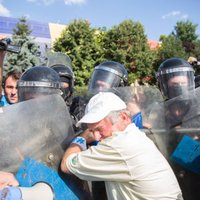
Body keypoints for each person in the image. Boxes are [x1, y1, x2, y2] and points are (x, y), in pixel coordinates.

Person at [61, 92, 183, 200]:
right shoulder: (135, 136)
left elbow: (66, 164)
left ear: (124, 117)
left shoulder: (118, 145)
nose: (97, 137)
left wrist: (82, 138)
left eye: (99, 129)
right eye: (91, 131)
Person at [153, 57, 200, 200]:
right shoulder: (157, 112)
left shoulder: (198, 110)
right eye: (174, 84)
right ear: (165, 85)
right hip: (169, 175)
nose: (179, 87)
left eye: (182, 83)